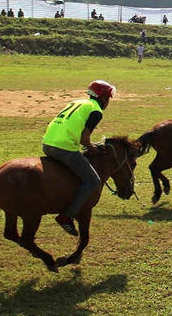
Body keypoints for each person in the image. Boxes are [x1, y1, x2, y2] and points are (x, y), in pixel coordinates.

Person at [42, 80, 116, 236]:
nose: (108, 102)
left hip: (47, 144)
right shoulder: (96, 111)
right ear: (103, 98)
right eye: (108, 98)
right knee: (93, 181)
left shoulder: (78, 102)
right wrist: (92, 147)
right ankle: (66, 216)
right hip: (64, 148)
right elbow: (84, 138)